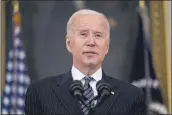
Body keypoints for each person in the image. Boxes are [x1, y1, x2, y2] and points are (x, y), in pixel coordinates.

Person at [25, 9, 146, 115]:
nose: (91, 42)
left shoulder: (131, 96)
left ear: (107, 46)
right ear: (69, 44)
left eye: (98, 35)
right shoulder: (41, 93)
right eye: (83, 34)